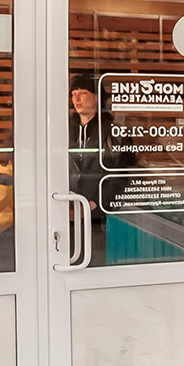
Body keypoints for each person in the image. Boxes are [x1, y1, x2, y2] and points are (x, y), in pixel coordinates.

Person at [67, 76, 107, 264]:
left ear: (96, 97)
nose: (76, 99)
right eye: (73, 94)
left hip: (96, 215)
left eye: (82, 93)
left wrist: (96, 202)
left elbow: (122, 173)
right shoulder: (63, 129)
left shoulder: (111, 131)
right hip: (66, 209)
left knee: (95, 262)